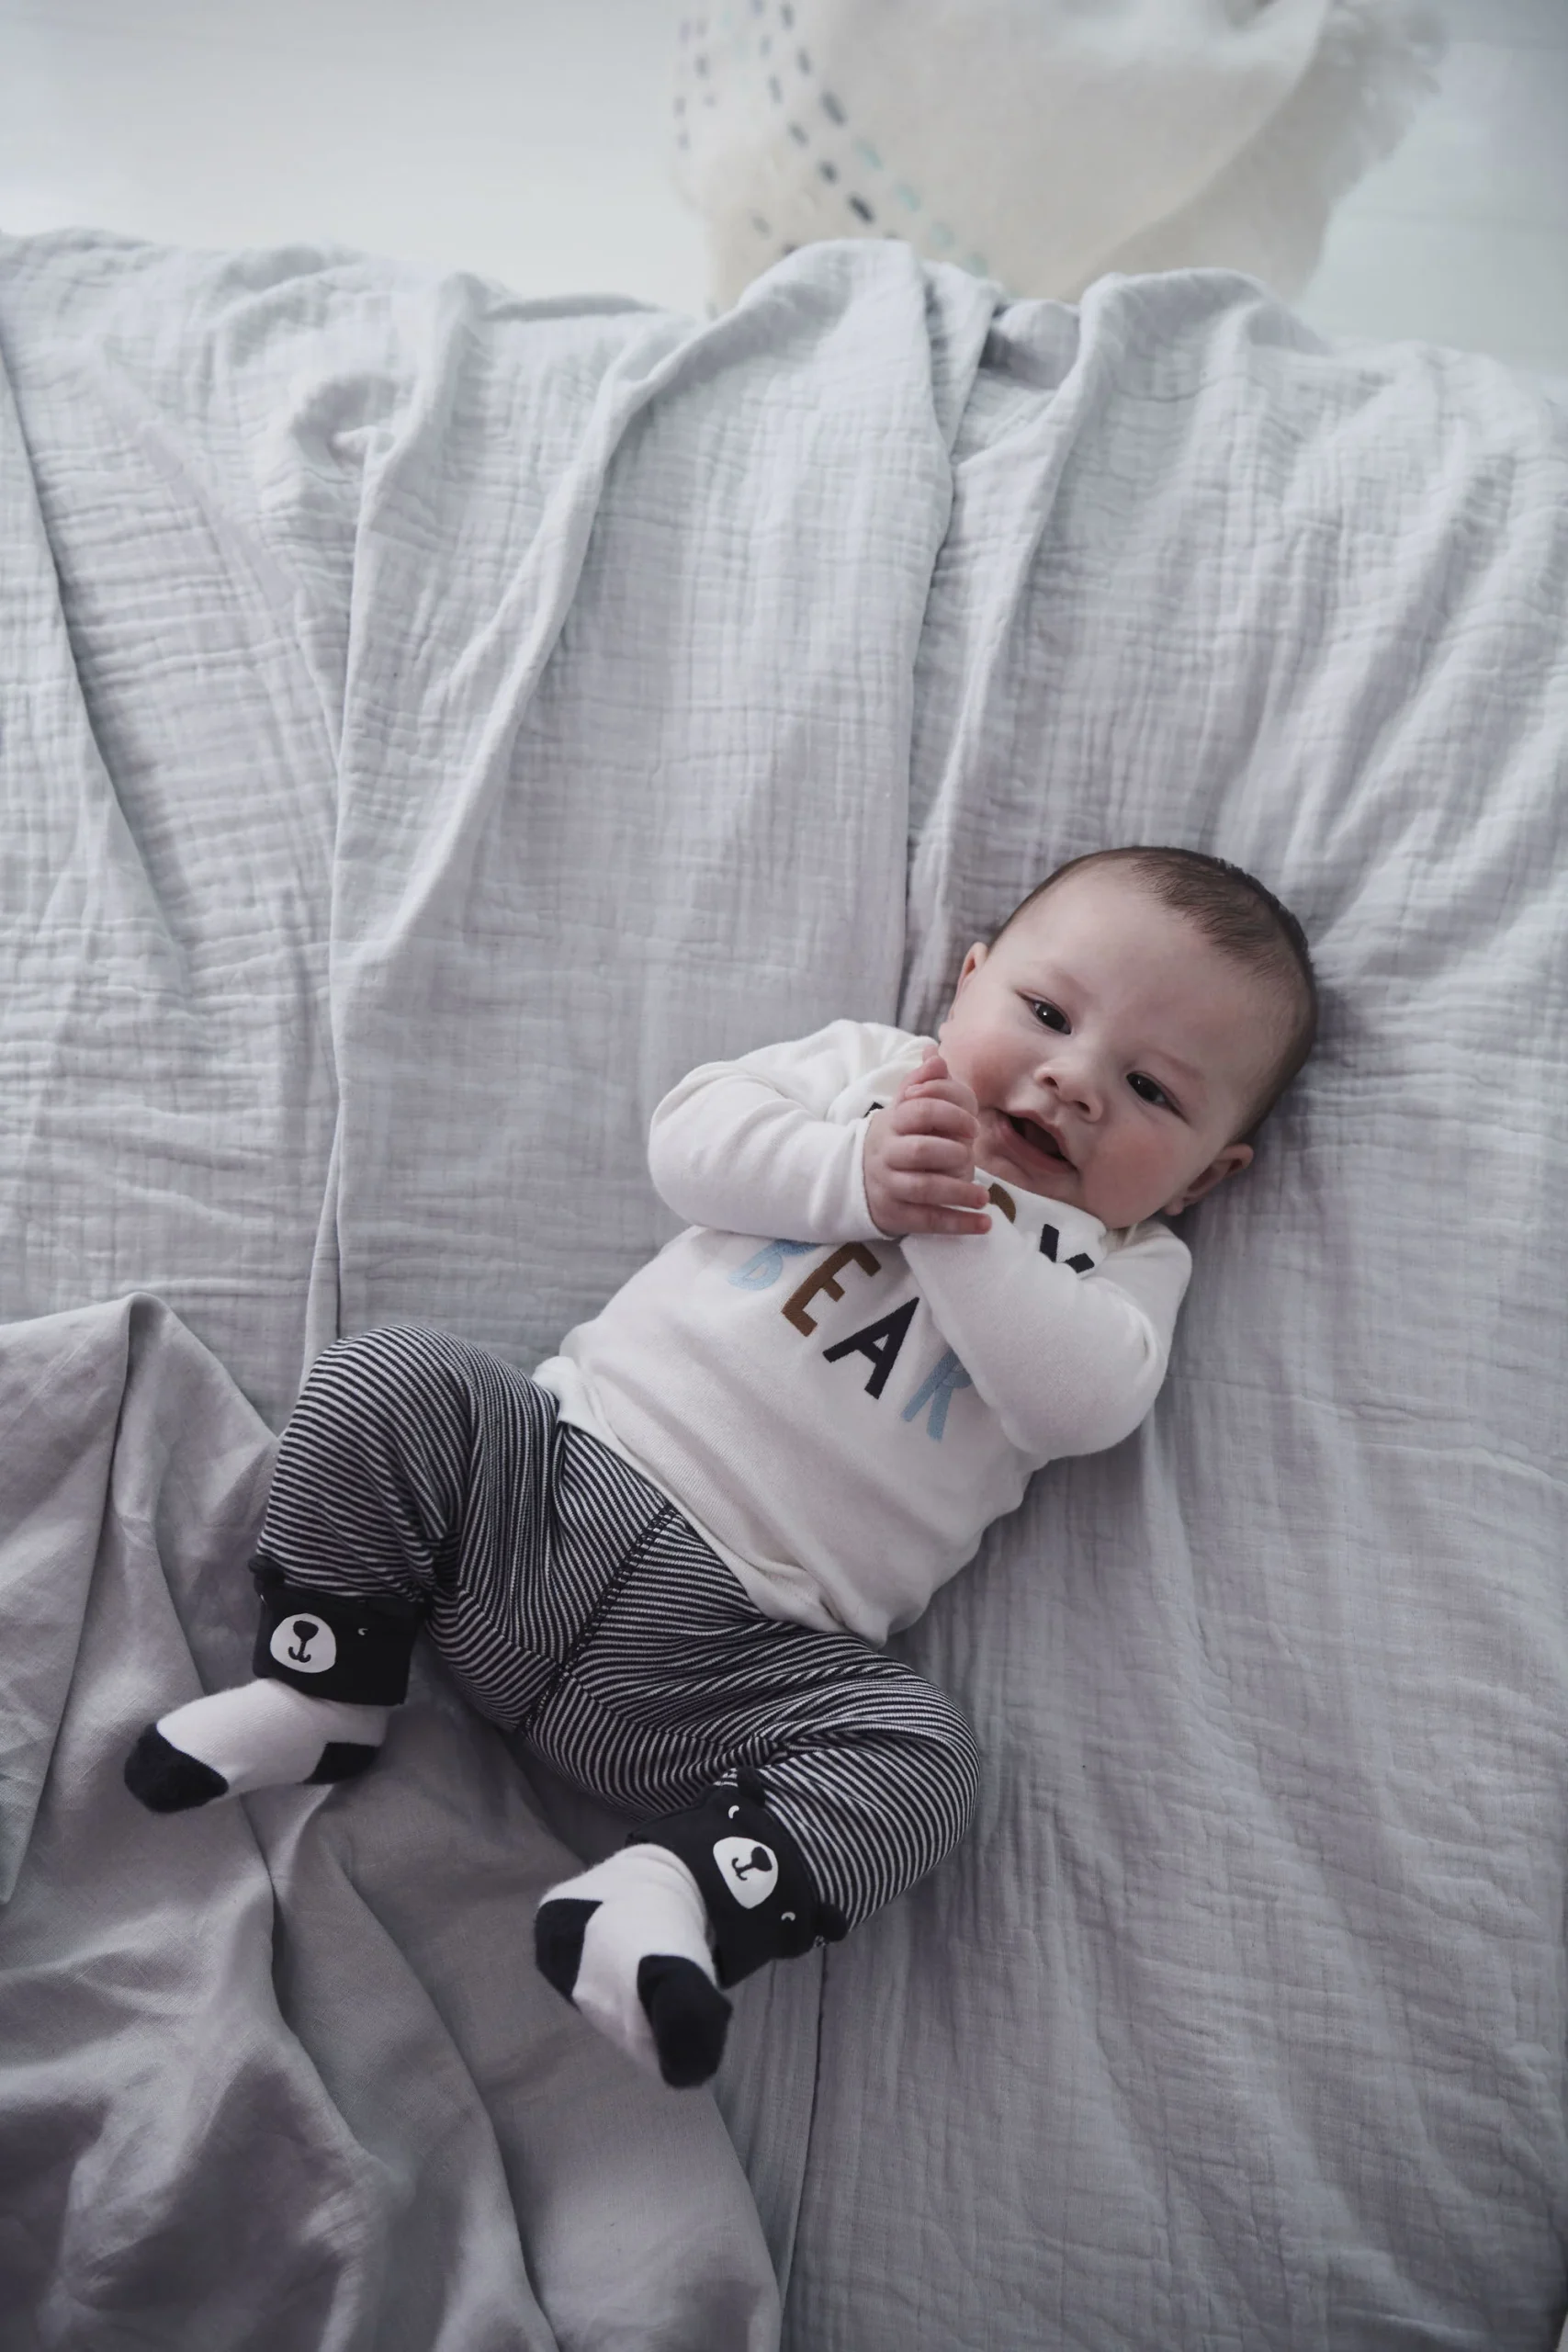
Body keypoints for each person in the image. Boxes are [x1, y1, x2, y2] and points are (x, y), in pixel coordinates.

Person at [124, 844, 1317, 2089]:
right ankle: (322, 1683)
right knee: (393, 1376)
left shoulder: (1124, 1267)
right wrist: (856, 1176)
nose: (1073, 1081)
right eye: (1046, 1014)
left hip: (737, 1658)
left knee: (924, 1766)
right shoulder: (870, 1075)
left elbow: (1078, 1405)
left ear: (1206, 1176)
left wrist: (950, 1222)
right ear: (965, 985)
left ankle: (664, 1897)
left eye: (1150, 1089)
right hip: (547, 1488)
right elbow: (689, 1142)